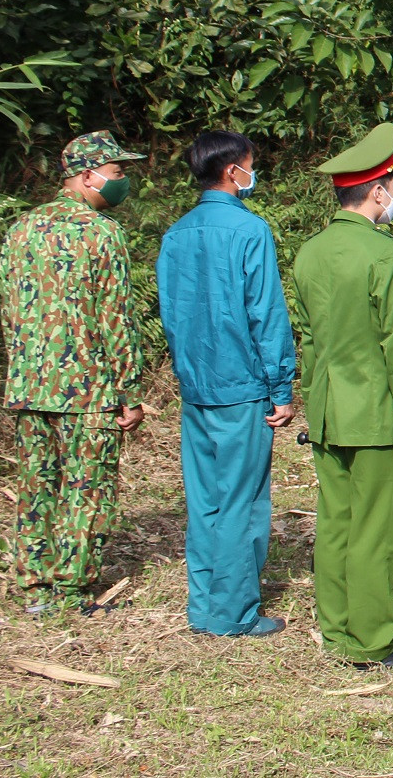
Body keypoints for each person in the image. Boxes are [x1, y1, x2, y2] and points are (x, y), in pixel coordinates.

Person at [288, 122, 393, 669]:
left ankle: (337, 627)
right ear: (376, 191)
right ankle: (371, 639)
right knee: (378, 528)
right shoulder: (384, 256)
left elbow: (307, 339)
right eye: (392, 189)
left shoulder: (308, 253)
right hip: (376, 414)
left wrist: (312, 402)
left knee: (337, 523)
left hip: (328, 410)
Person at [0, 131, 149, 615]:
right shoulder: (103, 233)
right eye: (118, 172)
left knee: (36, 484)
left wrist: (20, 367)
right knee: (86, 487)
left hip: (28, 384)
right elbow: (116, 316)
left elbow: (10, 311)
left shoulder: (21, 229)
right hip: (88, 389)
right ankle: (69, 590)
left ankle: (35, 587)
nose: (122, 182)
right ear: (88, 176)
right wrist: (129, 390)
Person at [156, 129, 298, 638]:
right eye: (250, 165)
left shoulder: (176, 234)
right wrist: (280, 385)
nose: (251, 173)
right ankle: (233, 612)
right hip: (242, 389)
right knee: (243, 500)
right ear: (232, 170)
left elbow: (172, 317)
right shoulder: (248, 231)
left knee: (205, 500)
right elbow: (265, 314)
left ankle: (204, 604)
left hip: (196, 389)